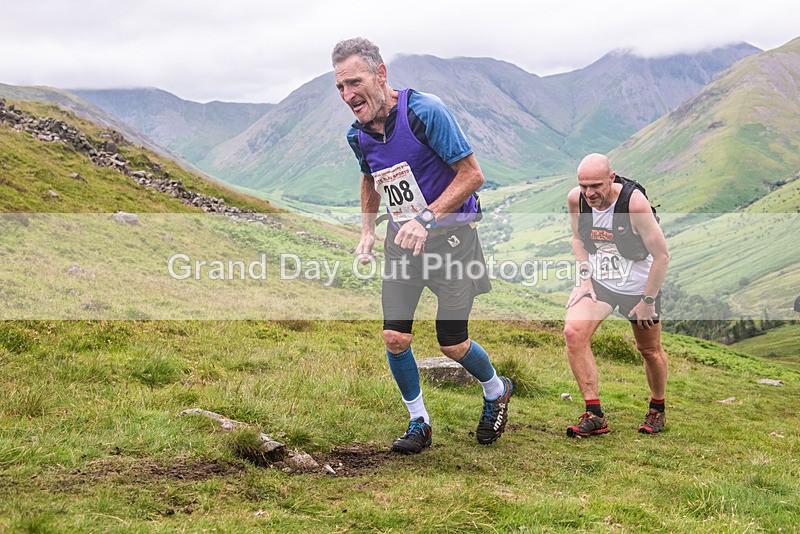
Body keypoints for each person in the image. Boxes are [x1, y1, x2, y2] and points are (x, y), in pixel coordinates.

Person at [332, 37, 512, 454]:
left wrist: (425, 218)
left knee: (452, 342)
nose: (347, 95)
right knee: (395, 337)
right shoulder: (357, 135)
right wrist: (367, 231)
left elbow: (472, 175)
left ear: (381, 75)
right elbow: (370, 177)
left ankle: (495, 389)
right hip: (402, 244)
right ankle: (419, 422)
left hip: (453, 239)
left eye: (354, 82)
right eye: (340, 87)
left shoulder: (424, 111)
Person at [563, 153, 670, 437]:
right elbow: (577, 238)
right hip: (601, 282)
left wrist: (647, 301)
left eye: (596, 185)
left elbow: (661, 256)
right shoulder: (577, 199)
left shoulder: (634, 204)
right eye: (584, 186)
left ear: (612, 178)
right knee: (574, 332)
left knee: (649, 350)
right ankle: (594, 414)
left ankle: (657, 408)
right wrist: (584, 279)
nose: (589, 193)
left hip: (639, 287)